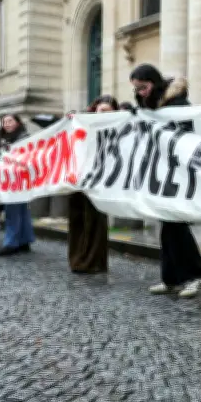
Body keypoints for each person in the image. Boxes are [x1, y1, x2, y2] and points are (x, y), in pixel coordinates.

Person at [130, 63, 201, 298]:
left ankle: (195, 276)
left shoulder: (178, 105)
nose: (140, 93)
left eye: (143, 87)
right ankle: (172, 278)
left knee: (177, 226)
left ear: (154, 82)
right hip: (163, 172)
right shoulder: (149, 105)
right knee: (168, 226)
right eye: (137, 89)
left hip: (180, 172)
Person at [68, 95, 118, 274]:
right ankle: (77, 258)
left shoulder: (116, 129)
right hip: (79, 179)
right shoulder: (82, 126)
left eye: (106, 110)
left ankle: (94, 262)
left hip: (99, 181)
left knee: (96, 222)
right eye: (100, 109)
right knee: (78, 219)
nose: (102, 113)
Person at [0, 115, 35, 256]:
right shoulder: (5, 138)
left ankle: (11, 243)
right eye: (4, 121)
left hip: (17, 179)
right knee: (22, 210)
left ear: (18, 122)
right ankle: (25, 240)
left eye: (10, 121)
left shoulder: (22, 137)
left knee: (13, 211)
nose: (6, 124)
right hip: (12, 178)